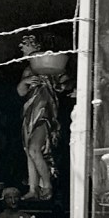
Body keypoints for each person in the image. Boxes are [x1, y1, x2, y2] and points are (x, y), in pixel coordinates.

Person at [16, 35, 70, 201]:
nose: (20, 47)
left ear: (35, 46)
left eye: (24, 44)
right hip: (30, 114)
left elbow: (65, 83)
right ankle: (33, 188)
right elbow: (20, 92)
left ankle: (47, 184)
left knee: (34, 148)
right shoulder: (28, 70)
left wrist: (62, 85)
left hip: (44, 114)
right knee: (29, 151)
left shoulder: (50, 68)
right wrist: (25, 81)